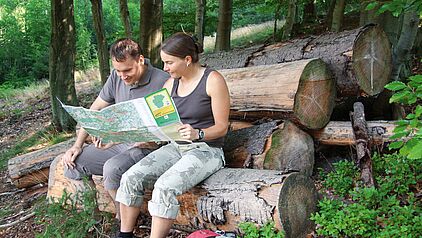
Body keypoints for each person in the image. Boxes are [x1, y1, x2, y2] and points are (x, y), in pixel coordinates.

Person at [115, 32, 230, 238]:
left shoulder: (213, 80)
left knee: (164, 186)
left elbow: (222, 127)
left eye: (169, 63)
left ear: (187, 60)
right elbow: (158, 121)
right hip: (176, 146)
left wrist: (198, 133)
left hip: (207, 150)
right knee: (131, 176)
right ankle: (124, 235)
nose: (165, 68)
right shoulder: (171, 84)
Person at [62, 38, 169, 219]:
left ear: (141, 60)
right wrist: (77, 145)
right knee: (73, 164)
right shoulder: (116, 77)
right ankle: (100, 214)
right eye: (118, 71)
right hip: (119, 143)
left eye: (127, 70)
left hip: (148, 147)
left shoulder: (163, 81)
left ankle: (123, 220)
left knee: (112, 169)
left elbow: (167, 130)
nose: (123, 76)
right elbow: (94, 111)